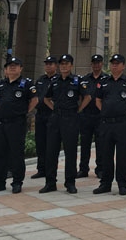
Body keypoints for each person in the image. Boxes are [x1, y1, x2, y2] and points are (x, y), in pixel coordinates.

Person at [0, 57, 37, 194]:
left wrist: (22, 112)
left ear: (21, 68)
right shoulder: (0, 84)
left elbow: (34, 100)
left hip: (17, 124)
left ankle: (17, 182)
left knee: (16, 154)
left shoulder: (26, 84)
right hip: (1, 123)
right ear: (5, 69)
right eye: (10, 66)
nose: (12, 67)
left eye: (16, 65)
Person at [93, 54, 126, 195]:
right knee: (105, 154)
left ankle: (122, 184)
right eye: (112, 63)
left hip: (122, 124)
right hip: (106, 124)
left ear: (123, 66)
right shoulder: (104, 81)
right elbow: (98, 100)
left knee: (122, 155)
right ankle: (105, 184)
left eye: (117, 63)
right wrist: (105, 112)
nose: (114, 65)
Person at [39, 54, 84, 194]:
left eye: (66, 63)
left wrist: (78, 109)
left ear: (71, 65)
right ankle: (50, 183)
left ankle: (70, 183)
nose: (64, 66)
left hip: (71, 118)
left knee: (70, 152)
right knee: (51, 151)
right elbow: (46, 98)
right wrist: (54, 109)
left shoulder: (77, 81)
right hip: (55, 118)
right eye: (62, 64)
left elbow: (87, 97)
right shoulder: (54, 81)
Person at [78, 54, 108, 179]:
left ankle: (100, 169)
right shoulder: (84, 79)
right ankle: (83, 169)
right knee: (85, 143)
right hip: (86, 116)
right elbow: (80, 97)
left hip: (100, 116)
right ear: (91, 64)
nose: (96, 65)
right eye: (94, 63)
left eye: (98, 62)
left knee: (101, 144)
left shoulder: (107, 79)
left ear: (102, 64)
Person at [31, 56, 58, 179]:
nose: (48, 66)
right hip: (40, 115)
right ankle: (41, 169)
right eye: (46, 64)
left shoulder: (58, 80)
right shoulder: (40, 80)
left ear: (55, 66)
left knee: (51, 144)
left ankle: (50, 170)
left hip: (52, 115)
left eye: (50, 64)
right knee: (40, 142)